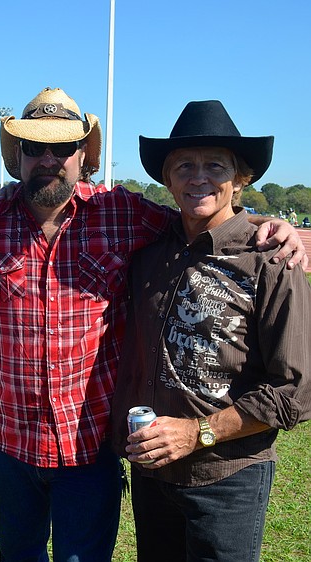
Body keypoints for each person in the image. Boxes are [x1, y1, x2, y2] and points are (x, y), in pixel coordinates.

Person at [0, 88, 307, 561]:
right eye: (34, 148)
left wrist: (262, 223)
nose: (48, 159)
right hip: (9, 443)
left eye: (62, 148)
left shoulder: (123, 213)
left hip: (90, 445)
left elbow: (201, 218)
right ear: (17, 156)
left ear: (84, 156)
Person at [111, 100, 311, 561]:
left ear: (240, 179)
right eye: (184, 166)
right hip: (154, 472)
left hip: (227, 476)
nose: (198, 177)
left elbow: (295, 392)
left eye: (215, 166)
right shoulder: (151, 252)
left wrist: (197, 433)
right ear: (167, 179)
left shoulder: (271, 262)